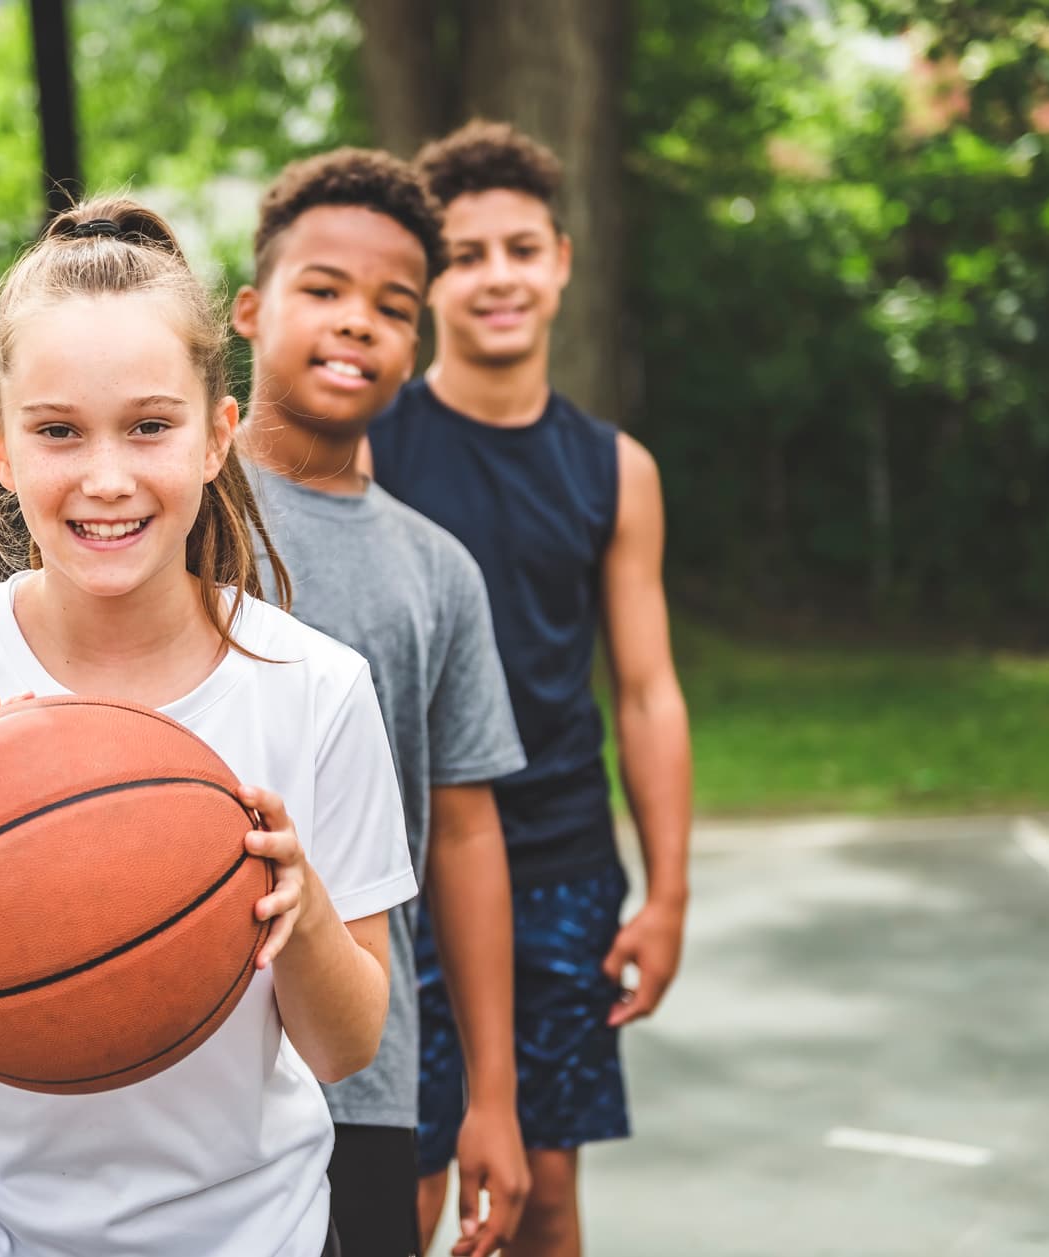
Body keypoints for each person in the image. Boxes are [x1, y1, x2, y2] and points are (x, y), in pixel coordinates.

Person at [0, 199, 417, 1257]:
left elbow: (348, 1046)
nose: (107, 477)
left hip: (251, 1232)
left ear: (220, 436)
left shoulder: (317, 686)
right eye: (56, 431)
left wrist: (301, 910)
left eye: (149, 426)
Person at [367, 120, 695, 1257]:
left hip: (557, 867)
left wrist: (668, 890)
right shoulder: (374, 448)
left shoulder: (615, 469)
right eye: (465, 254)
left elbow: (648, 691)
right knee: (402, 1200)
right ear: (428, 282)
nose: (497, 276)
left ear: (561, 259)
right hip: (400, 865)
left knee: (541, 1197)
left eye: (520, 249)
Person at [234, 148, 530, 1257]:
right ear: (251, 309)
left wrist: (490, 1097)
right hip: (163, 1053)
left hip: (358, 1068)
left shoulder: (437, 570)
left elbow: (461, 832)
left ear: (419, 340)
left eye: (391, 307)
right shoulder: (165, 517)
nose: (356, 322)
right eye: (323, 290)